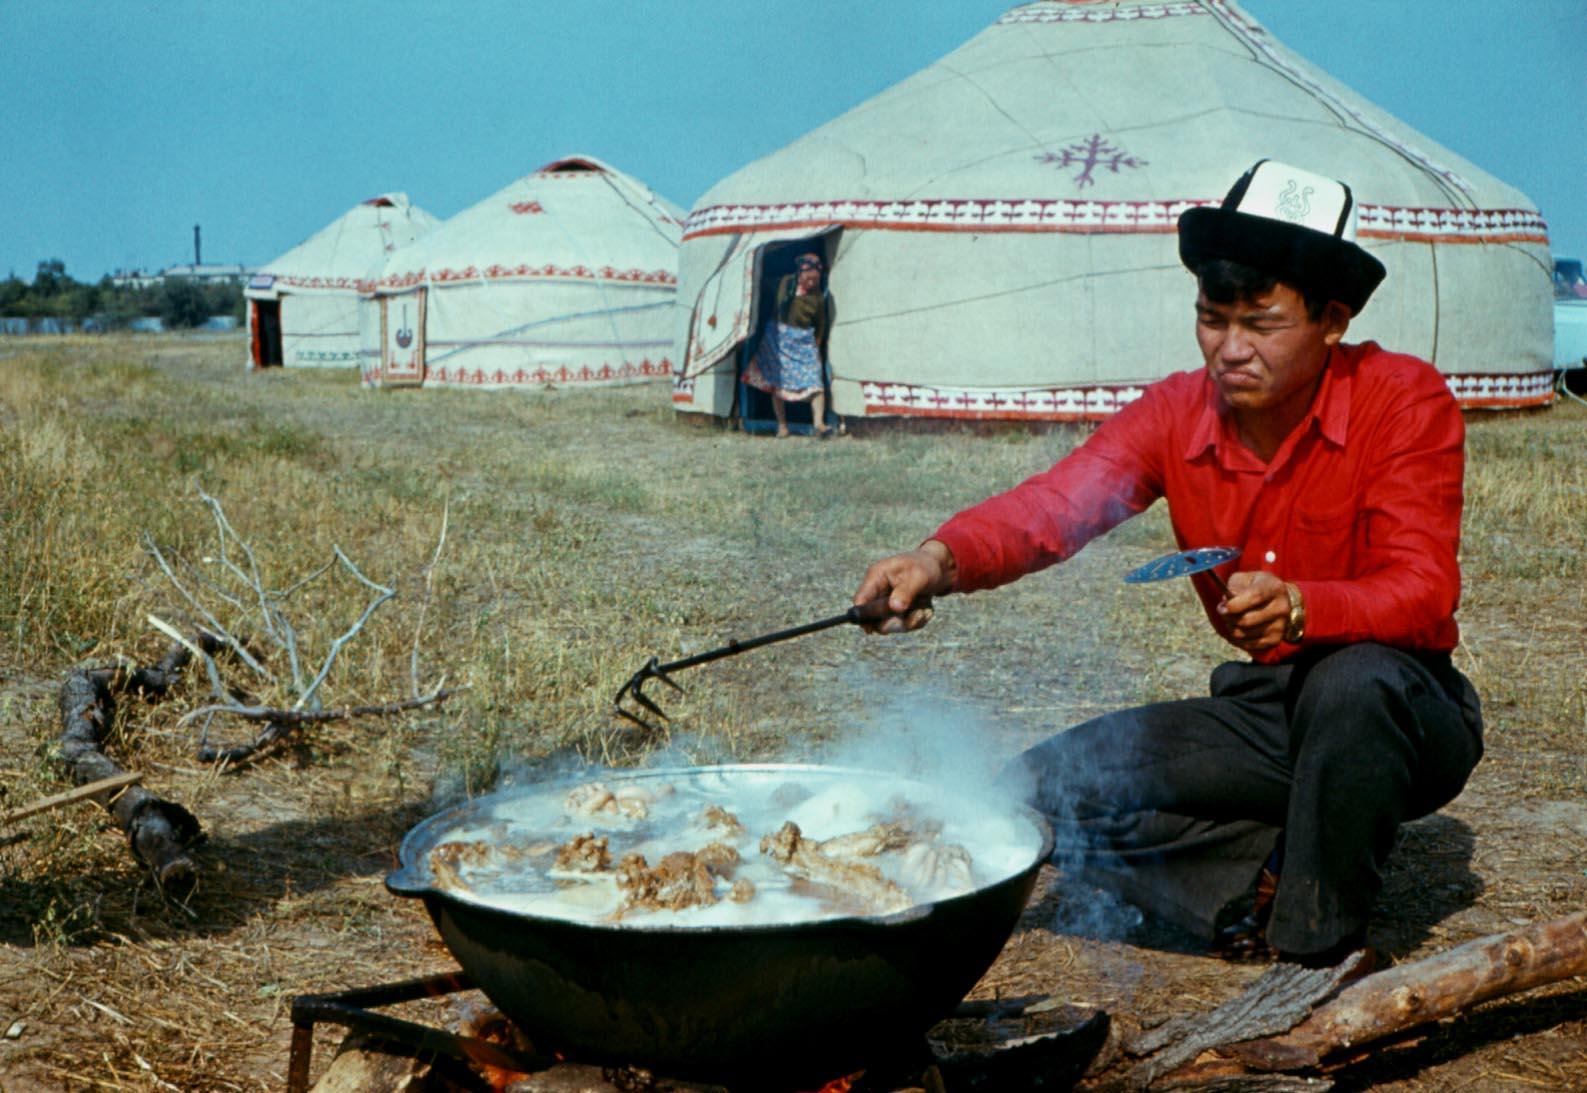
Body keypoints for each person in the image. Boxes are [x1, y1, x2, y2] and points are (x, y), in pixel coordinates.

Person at [852, 160, 1483, 968]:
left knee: (1353, 681)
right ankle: (1259, 876)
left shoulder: (1403, 398)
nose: (1230, 348)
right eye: (1211, 319)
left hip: (1401, 708)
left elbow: (1422, 589)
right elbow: (1056, 505)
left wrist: (1304, 607)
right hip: (1270, 709)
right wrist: (936, 560)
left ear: (1331, 319)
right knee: (1036, 795)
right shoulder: (1176, 411)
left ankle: (1315, 953)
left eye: (1260, 323)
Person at [743, 252, 834, 438]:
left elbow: (821, 324)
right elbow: (760, 283)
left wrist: (816, 346)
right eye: (809, 279)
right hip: (778, 338)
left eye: (816, 280)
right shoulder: (784, 282)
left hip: (803, 342)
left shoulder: (816, 296)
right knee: (777, 382)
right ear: (800, 273)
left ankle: (819, 424)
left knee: (815, 382)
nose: (812, 283)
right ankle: (782, 426)